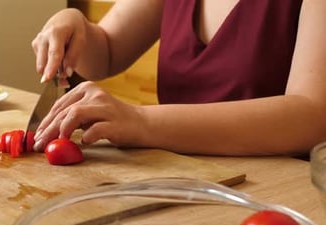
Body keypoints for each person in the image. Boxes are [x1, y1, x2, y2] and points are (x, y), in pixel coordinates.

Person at [31, 0, 326, 156]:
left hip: (278, 199)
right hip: (178, 179)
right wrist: (74, 23)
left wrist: (141, 121)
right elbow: (106, 51)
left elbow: (312, 116)